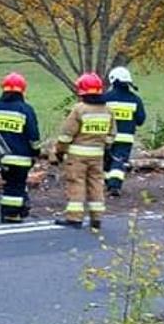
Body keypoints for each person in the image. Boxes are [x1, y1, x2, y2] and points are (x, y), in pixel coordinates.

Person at [52, 72, 114, 230]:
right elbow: (111, 134)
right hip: (97, 155)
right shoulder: (107, 110)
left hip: (77, 156)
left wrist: (59, 151)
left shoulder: (79, 109)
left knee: (76, 184)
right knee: (96, 185)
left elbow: (66, 134)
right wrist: (105, 148)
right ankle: (97, 218)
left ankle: (74, 218)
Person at [0, 72, 41, 224]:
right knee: (16, 186)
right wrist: (36, 152)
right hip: (21, 157)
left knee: (10, 184)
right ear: (22, 90)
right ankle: (12, 214)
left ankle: (16, 209)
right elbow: (33, 135)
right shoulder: (25, 109)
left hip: (1, 156)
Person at [103, 66, 147, 198]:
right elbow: (140, 120)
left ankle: (109, 183)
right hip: (126, 138)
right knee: (119, 162)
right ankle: (114, 185)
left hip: (107, 137)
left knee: (106, 161)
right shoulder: (135, 99)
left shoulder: (105, 98)